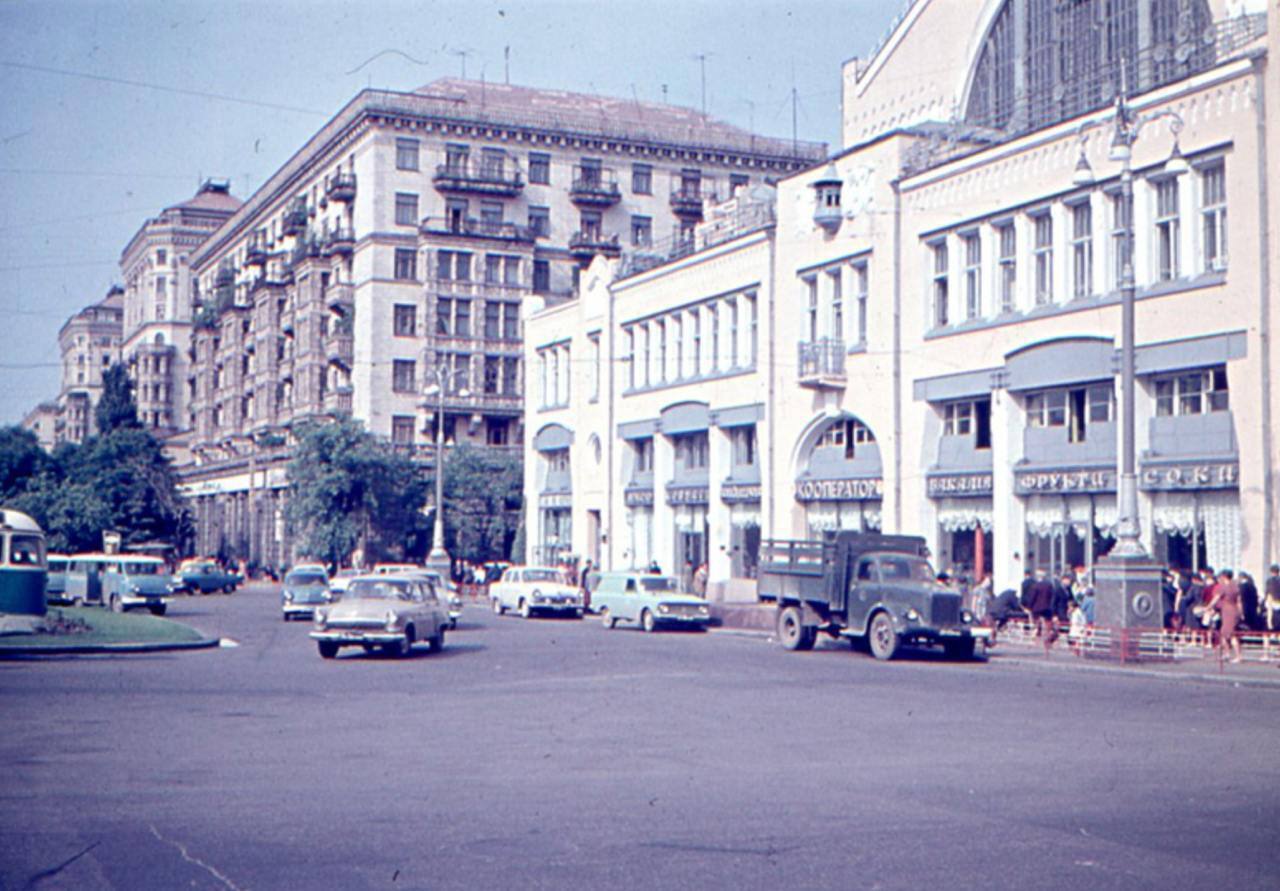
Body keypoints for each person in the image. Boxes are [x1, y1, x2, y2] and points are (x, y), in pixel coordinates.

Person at [1204, 569, 1242, 663]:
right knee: (1226, 633)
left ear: (1224, 576)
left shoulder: (1223, 587)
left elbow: (1216, 598)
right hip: (1234, 610)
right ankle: (1228, 654)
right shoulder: (1236, 586)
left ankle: (1236, 656)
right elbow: (1239, 601)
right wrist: (1241, 612)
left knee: (1229, 634)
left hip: (1227, 611)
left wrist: (1208, 607)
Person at [1026, 569, 1058, 653]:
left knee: (1036, 623)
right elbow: (1052, 596)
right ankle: (1048, 637)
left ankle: (1036, 635)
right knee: (1048, 624)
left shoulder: (1035, 586)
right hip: (1047, 608)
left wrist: (1029, 607)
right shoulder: (1049, 585)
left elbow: (1032, 598)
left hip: (1036, 608)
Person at [1266, 564, 1280, 632]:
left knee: (1270, 615)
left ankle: (1270, 626)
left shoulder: (1269, 580)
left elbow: (1267, 591)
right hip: (1278, 600)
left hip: (1271, 600)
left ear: (1271, 572)